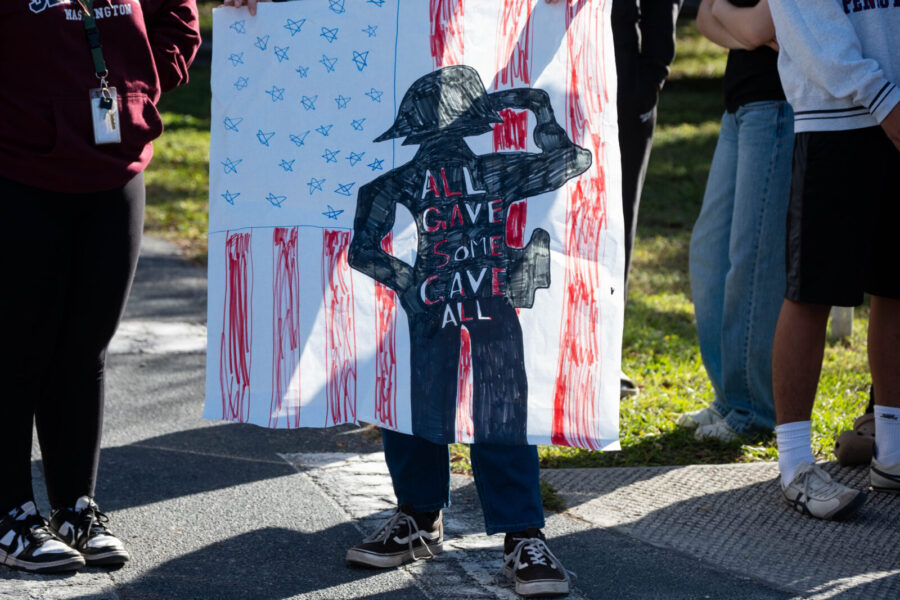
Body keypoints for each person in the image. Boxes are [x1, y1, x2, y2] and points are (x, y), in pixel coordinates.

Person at [223, 1, 580, 597]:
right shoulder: (397, 183)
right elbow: (364, 249)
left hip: (492, 301)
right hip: (433, 304)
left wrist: (542, 103)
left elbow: (574, 162)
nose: (445, 140)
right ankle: (418, 513)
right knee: (417, 400)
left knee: (501, 405)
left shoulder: (492, 172)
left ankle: (521, 531)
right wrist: (412, 286)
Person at [0, 0, 200, 573]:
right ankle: (10, 515)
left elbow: (177, 17)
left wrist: (140, 86)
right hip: (16, 170)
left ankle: (75, 508)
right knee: (16, 349)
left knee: (84, 347)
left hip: (115, 164)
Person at [766, 0, 900, 520]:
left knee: (895, 285)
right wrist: (885, 102)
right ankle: (795, 463)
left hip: (891, 106)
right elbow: (807, 21)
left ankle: (892, 449)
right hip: (834, 118)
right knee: (812, 291)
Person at [677, 0, 792, 442]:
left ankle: (754, 410)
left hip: (778, 104)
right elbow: (707, 19)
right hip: (738, 106)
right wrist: (745, 29)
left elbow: (759, 23)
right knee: (708, 252)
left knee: (754, 260)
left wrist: (740, 24)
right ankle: (729, 396)